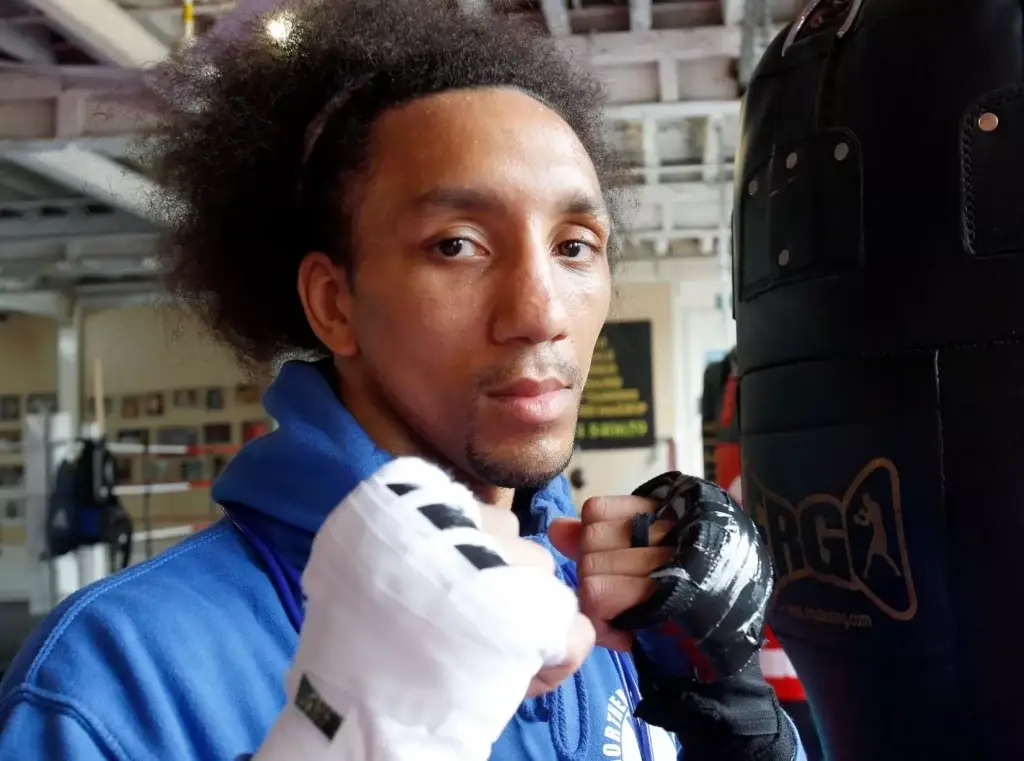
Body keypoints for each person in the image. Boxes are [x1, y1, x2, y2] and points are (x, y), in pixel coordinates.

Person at [0, 1, 805, 759]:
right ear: (333, 301)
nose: (540, 311)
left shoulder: (604, 607)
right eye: (456, 244)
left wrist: (732, 719)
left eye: (573, 244)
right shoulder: (116, 675)